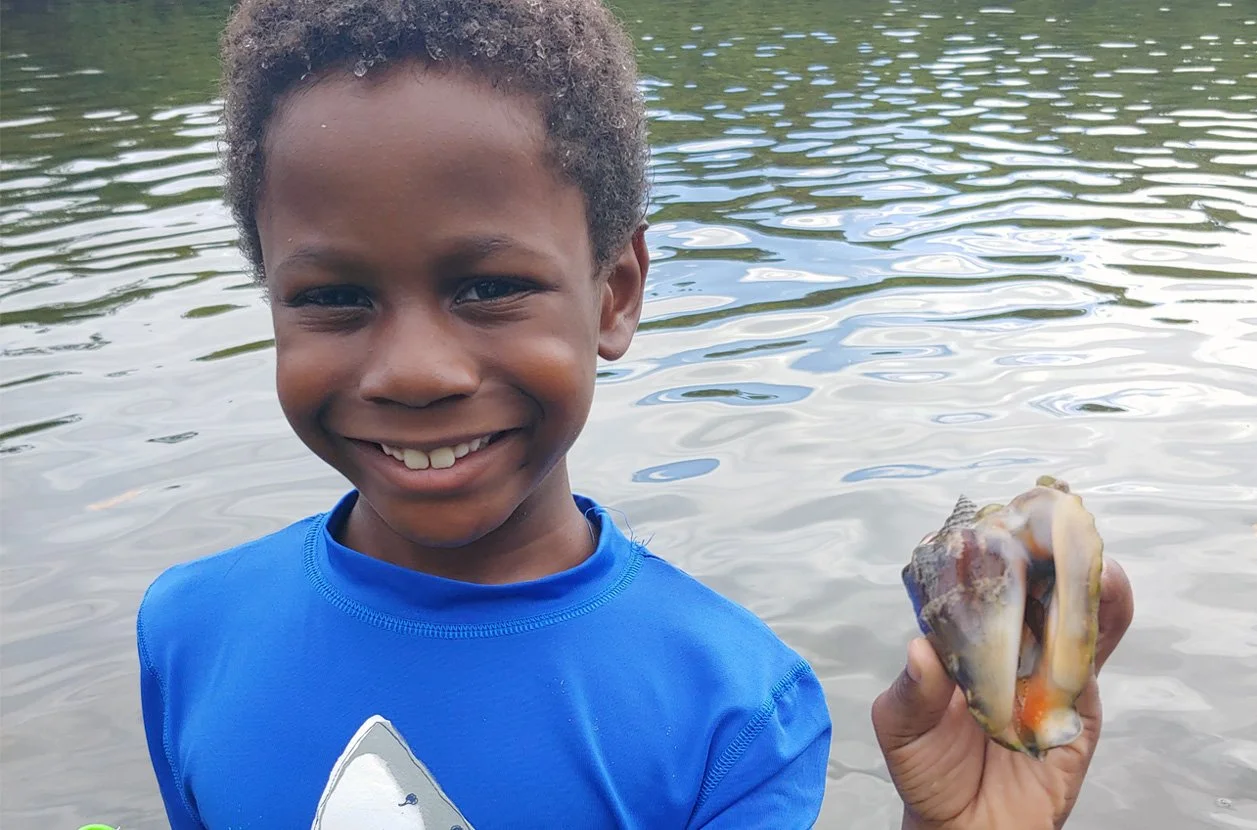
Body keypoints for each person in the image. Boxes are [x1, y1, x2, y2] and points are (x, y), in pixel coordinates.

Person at [136, 0, 1134, 827]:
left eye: (486, 286)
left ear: (614, 292)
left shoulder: (733, 708)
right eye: (332, 297)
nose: (414, 370)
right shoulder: (189, 628)